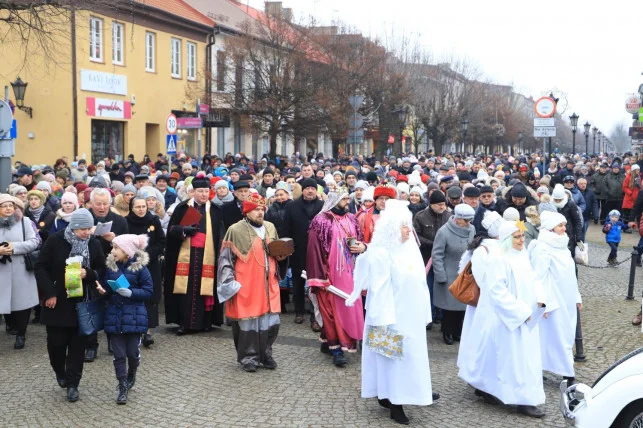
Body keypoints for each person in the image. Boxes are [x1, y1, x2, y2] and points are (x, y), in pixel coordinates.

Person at [348, 199, 437, 425]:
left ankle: (415, 391)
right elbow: (379, 289)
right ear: (392, 228)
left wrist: (425, 314)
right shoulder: (382, 252)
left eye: (408, 225)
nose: (409, 230)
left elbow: (419, 282)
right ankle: (394, 402)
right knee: (392, 360)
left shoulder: (409, 249)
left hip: (411, 315)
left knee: (412, 357)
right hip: (391, 316)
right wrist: (384, 321)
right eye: (404, 226)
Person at [459, 220, 547, 418]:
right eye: (517, 237)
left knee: (518, 358)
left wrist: (540, 299)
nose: (521, 240)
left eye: (523, 236)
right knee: (512, 360)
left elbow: (534, 279)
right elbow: (496, 291)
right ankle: (521, 400)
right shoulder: (499, 260)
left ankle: (496, 390)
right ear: (506, 239)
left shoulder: (522, 255)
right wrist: (520, 312)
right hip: (510, 319)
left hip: (526, 317)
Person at [34, 208, 106, 402]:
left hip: (82, 303)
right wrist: (49, 293)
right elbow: (40, 266)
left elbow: (101, 267)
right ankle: (60, 371)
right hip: (57, 301)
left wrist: (89, 274)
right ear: (73, 227)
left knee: (77, 347)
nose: (86, 232)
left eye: (89, 228)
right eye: (82, 228)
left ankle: (73, 384)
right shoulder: (56, 240)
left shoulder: (94, 244)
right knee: (56, 346)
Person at [217, 193, 287, 372]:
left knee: (270, 322)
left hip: (268, 283)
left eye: (262, 209)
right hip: (246, 284)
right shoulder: (235, 229)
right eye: (256, 210)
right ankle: (248, 357)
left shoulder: (270, 227)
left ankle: (266, 354)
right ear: (247, 212)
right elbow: (226, 259)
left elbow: (277, 252)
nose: (260, 213)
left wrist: (282, 256)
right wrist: (229, 282)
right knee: (248, 322)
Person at [306, 191, 366, 367]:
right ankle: (337, 348)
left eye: (348, 199)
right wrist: (319, 277)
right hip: (330, 274)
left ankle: (328, 341)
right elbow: (314, 249)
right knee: (332, 312)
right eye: (344, 199)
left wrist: (363, 248)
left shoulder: (352, 219)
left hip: (351, 272)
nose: (347, 202)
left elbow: (361, 240)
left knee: (350, 308)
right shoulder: (321, 220)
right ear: (334, 201)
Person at [96, 234, 153, 404]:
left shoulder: (141, 268)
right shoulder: (111, 267)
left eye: (115, 248)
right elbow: (108, 288)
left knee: (132, 354)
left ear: (127, 251)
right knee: (119, 354)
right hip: (115, 316)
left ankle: (132, 372)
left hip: (135, 317)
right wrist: (103, 291)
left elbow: (149, 291)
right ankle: (122, 385)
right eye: (112, 247)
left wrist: (132, 293)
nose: (112, 251)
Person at [528, 211, 582, 385]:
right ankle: (567, 372)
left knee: (565, 334)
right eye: (560, 225)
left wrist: (576, 296)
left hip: (567, 299)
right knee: (556, 335)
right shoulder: (542, 247)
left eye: (564, 225)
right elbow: (539, 276)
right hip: (553, 299)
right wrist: (544, 302)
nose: (564, 229)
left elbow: (570, 274)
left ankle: (545, 367)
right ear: (551, 228)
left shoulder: (562, 245)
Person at [165, 178, 224, 334]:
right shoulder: (183, 208)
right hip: (186, 256)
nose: (204, 194)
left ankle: (206, 322)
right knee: (187, 290)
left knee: (205, 289)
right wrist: (183, 230)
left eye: (206, 191)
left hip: (207, 255)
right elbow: (171, 230)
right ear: (193, 192)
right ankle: (184, 323)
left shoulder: (215, 210)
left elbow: (221, 234)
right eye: (200, 191)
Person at [457, 211, 504, 388]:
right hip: (482, 303)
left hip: (493, 302)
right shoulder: (483, 250)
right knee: (477, 338)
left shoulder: (499, 247)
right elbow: (481, 277)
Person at [85, 188, 129, 362]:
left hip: (113, 268)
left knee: (113, 304)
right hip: (90, 267)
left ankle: (113, 341)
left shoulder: (119, 220)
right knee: (91, 307)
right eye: (98, 204)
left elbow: (128, 247)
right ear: (91, 203)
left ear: (109, 204)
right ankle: (91, 345)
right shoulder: (85, 217)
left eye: (105, 204)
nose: (101, 207)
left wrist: (115, 239)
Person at [0, 194, 40, 349]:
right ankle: (10, 326)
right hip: (1, 269)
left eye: (11, 205)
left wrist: (15, 248)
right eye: (4, 206)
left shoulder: (25, 221)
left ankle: (21, 334)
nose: (8, 208)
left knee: (23, 303)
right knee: (4, 302)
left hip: (21, 268)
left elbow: (34, 242)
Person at [431, 204, 475, 344]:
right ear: (458, 218)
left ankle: (458, 331)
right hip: (449, 273)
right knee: (450, 308)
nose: (468, 223)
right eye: (466, 220)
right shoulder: (444, 232)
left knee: (463, 305)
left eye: (470, 220)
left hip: (465, 274)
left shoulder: (471, 229)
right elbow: (437, 254)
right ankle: (447, 331)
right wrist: (440, 275)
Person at [282, 178, 324, 327]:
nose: (310, 191)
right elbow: (286, 228)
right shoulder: (292, 206)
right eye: (307, 188)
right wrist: (288, 249)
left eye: (313, 188)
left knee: (315, 283)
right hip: (298, 250)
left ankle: (315, 314)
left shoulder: (323, 206)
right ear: (303, 190)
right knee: (298, 282)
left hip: (318, 251)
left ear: (316, 190)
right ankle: (299, 311)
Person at [125, 196, 166, 347]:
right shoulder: (126, 221)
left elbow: (161, 241)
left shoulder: (153, 220)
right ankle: (133, 329)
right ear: (132, 208)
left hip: (150, 263)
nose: (141, 209)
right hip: (131, 263)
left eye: (143, 206)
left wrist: (148, 255)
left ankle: (147, 331)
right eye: (138, 207)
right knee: (133, 295)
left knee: (149, 296)